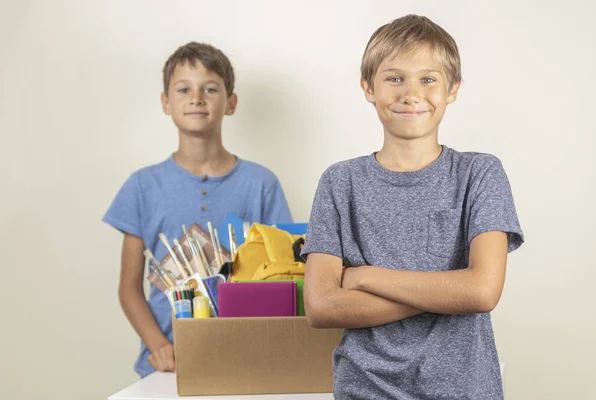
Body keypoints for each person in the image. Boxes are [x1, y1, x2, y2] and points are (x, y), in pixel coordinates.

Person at [301, 15, 524, 399]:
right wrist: (447, 292)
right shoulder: (340, 182)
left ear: (452, 88)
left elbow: (482, 292)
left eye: (428, 78)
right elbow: (321, 307)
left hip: (464, 389)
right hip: (365, 388)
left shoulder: (479, 173)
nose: (411, 93)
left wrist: (365, 277)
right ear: (367, 87)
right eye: (394, 78)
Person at [103, 42, 293, 377]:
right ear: (166, 102)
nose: (196, 98)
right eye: (183, 89)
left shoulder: (261, 184)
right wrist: (159, 346)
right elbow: (128, 288)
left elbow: (283, 277)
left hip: (246, 358)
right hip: (169, 364)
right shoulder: (142, 186)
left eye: (210, 88)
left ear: (231, 103)